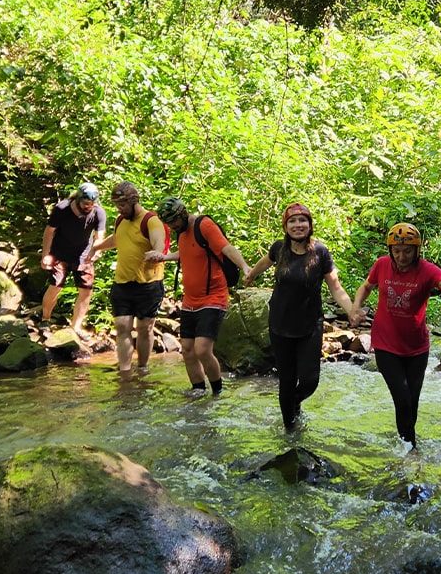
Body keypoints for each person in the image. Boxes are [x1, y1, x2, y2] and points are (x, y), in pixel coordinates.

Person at [350, 223, 441, 449]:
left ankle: (408, 443)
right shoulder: (382, 265)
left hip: (416, 349)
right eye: (396, 251)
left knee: (412, 403)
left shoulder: (428, 271)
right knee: (402, 398)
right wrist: (356, 307)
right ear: (390, 250)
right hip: (385, 345)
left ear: (417, 250)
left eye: (407, 251)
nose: (401, 256)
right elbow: (366, 286)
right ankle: (409, 449)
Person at [243, 203, 355, 431]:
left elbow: (335, 286)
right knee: (286, 379)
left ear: (310, 225)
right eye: (292, 221)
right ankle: (290, 430)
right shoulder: (279, 249)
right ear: (286, 226)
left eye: (302, 221)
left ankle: (293, 404)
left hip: (309, 325)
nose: (298, 225)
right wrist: (251, 275)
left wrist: (351, 309)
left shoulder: (320, 252)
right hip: (280, 324)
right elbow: (266, 261)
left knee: (309, 380)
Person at [146, 197, 252, 395]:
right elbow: (186, 252)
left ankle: (217, 391)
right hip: (190, 300)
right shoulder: (182, 232)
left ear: (183, 214)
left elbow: (226, 248)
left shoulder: (204, 225)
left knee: (202, 349)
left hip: (213, 297)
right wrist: (164, 257)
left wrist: (245, 266)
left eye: (174, 222)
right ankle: (198, 390)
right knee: (187, 349)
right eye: (168, 224)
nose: (172, 226)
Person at [89, 182, 166, 377]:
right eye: (117, 206)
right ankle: (124, 371)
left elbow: (159, 241)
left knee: (144, 328)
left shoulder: (151, 221)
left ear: (133, 202)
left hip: (148, 284)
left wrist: (156, 252)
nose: (119, 209)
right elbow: (116, 240)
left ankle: (142, 367)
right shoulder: (121, 220)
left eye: (122, 205)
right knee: (122, 326)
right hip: (123, 283)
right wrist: (95, 247)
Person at [40, 182, 107, 340]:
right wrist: (46, 254)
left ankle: (76, 326)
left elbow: (100, 236)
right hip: (60, 253)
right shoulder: (62, 209)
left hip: (84, 255)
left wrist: (97, 251)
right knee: (56, 285)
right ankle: (45, 319)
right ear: (77, 199)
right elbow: (49, 232)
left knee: (86, 290)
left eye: (91, 204)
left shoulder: (98, 213)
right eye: (85, 203)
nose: (88, 207)